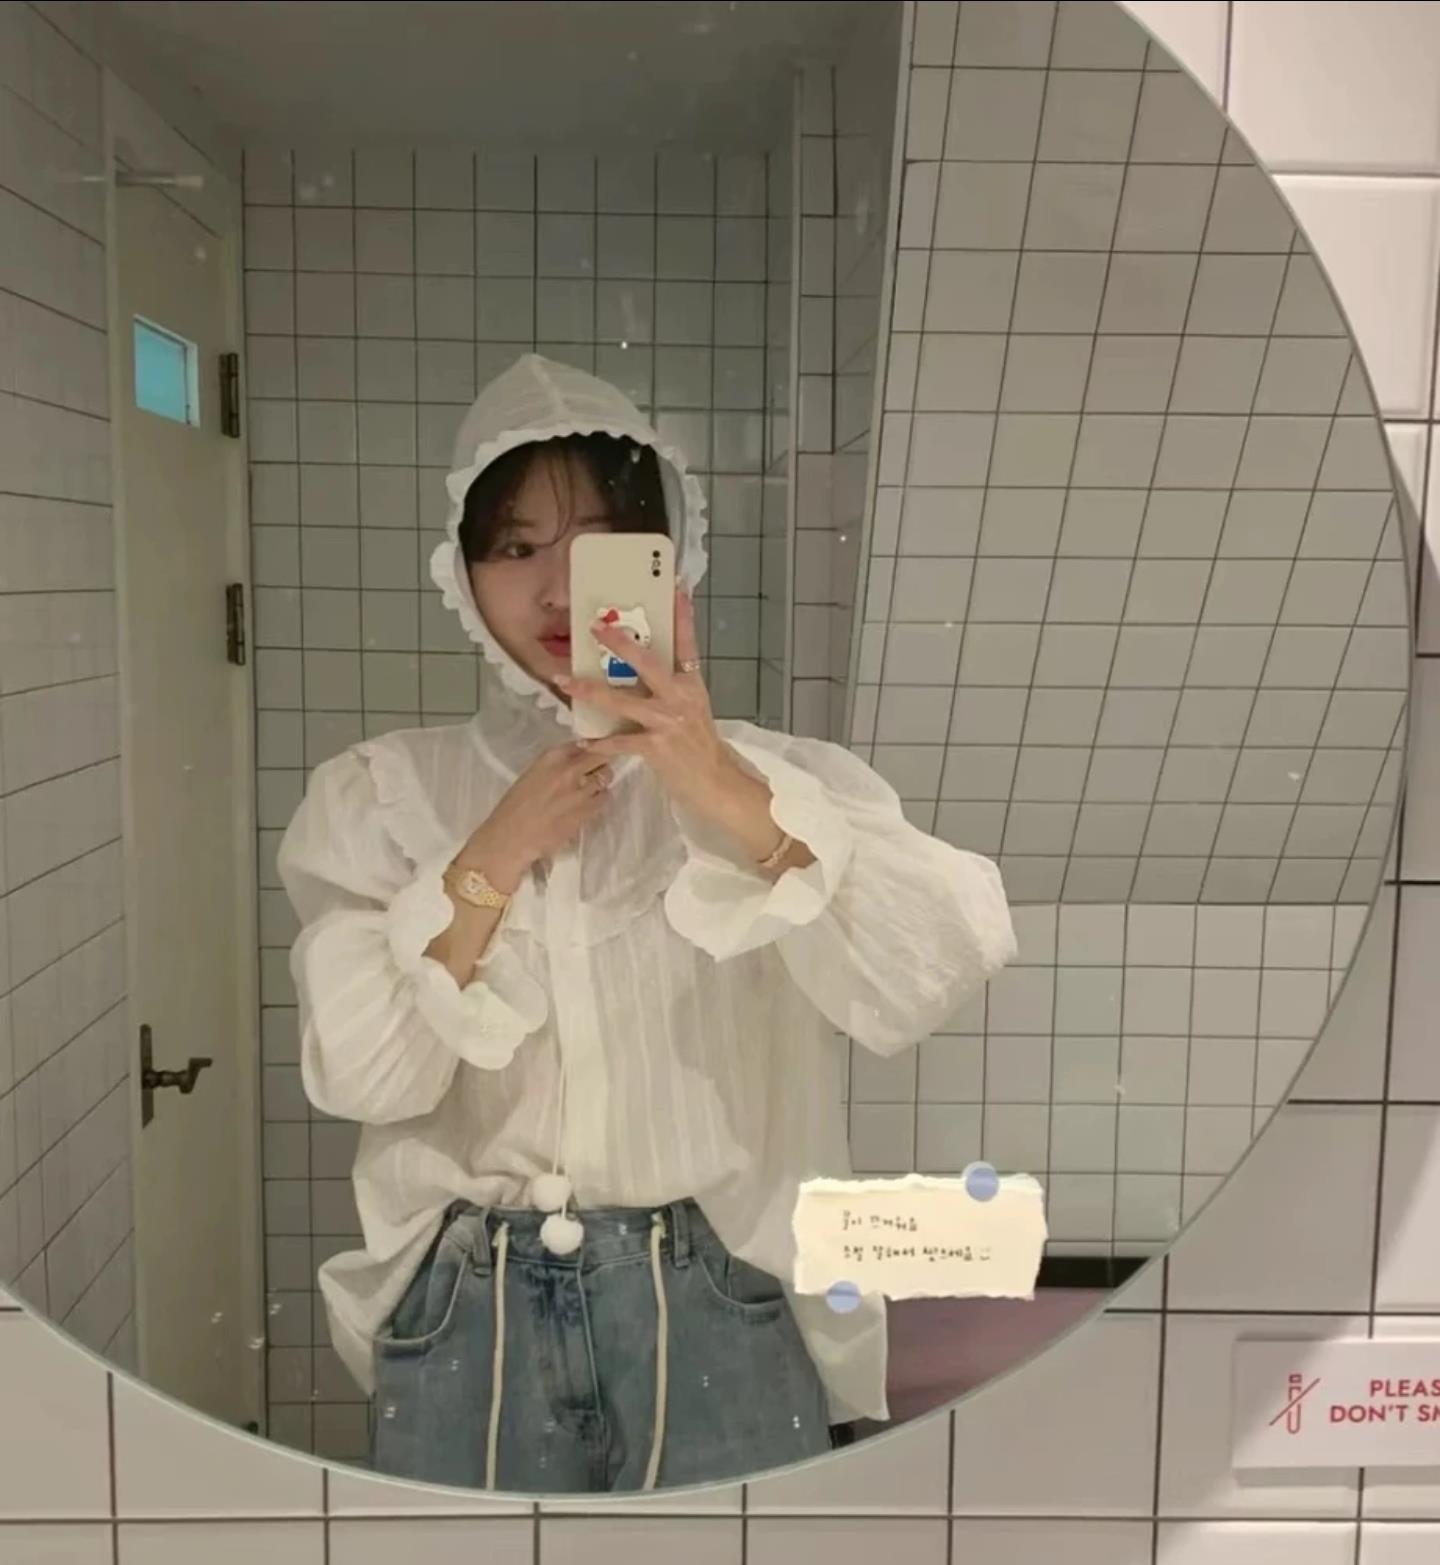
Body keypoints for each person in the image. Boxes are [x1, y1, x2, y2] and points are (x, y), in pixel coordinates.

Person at [277, 353, 1016, 1495]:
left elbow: (927, 974)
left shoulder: (785, 782)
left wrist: (717, 782)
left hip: (717, 1295)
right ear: (461, 572)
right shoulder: (380, 796)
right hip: (465, 1301)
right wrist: (492, 855)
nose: (558, 591)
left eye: (601, 545)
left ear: (668, 555)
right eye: (516, 547)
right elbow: (368, 1073)